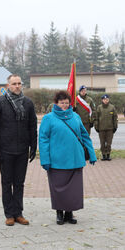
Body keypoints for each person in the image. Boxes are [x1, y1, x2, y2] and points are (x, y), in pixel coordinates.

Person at [39, 90, 97, 225]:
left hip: (75, 159)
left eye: (66, 103)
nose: (64, 105)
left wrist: (92, 154)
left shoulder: (76, 117)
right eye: (61, 103)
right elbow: (43, 140)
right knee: (58, 188)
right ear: (56, 103)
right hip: (57, 161)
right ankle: (59, 212)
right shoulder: (49, 118)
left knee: (74, 189)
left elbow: (84, 136)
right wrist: (45, 159)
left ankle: (69, 213)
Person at [0, 74, 37, 226]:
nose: (17, 86)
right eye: (14, 83)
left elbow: (32, 127)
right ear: (8, 85)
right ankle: (9, 214)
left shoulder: (28, 103)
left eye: (19, 83)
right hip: (5, 150)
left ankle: (18, 213)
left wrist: (33, 147)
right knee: (6, 183)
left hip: (22, 150)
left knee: (19, 183)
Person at [94, 94, 118, 161]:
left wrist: (115, 127)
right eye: (104, 99)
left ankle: (108, 155)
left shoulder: (112, 107)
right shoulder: (99, 107)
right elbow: (96, 118)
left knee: (109, 143)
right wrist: (96, 126)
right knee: (102, 143)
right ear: (102, 100)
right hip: (101, 129)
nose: (106, 101)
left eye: (107, 99)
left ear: (108, 100)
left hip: (110, 129)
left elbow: (115, 118)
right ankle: (103, 155)